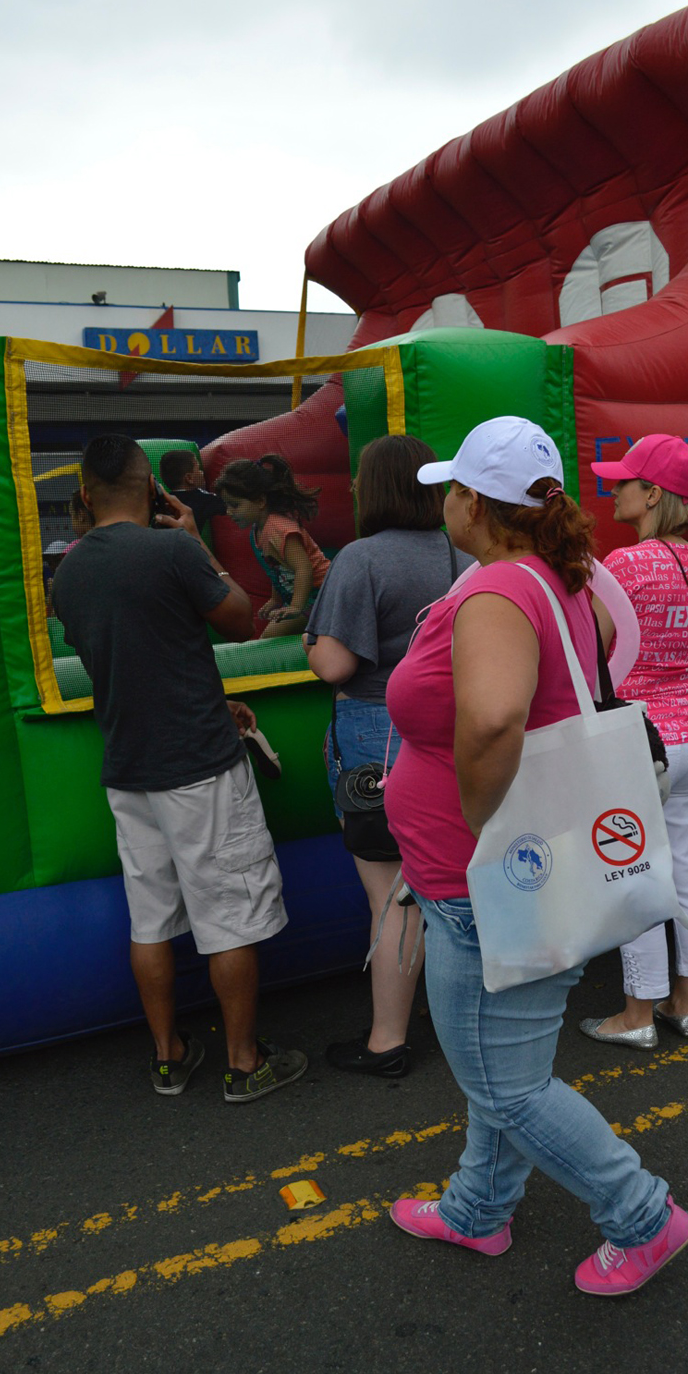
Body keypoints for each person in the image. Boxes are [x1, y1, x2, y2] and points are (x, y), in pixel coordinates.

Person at [383, 415, 688, 1297]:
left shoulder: (495, 593)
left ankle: (641, 1215)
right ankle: (478, 1210)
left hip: (486, 883)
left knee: (506, 1083)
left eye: (452, 489)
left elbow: (491, 718)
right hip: (513, 876)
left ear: (474, 503)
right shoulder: (555, 582)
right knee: (503, 1065)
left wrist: (477, 825)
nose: (444, 501)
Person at [51, 434, 307, 1102]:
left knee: (150, 919)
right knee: (228, 915)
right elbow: (239, 618)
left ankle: (168, 1056)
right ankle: (244, 1063)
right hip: (197, 762)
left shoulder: (69, 571)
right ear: (152, 491)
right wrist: (193, 538)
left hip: (128, 767)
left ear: (84, 494)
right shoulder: (170, 550)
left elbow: (122, 650)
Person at [304, 435, 471, 1077]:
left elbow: (337, 662)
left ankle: (387, 1043)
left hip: (379, 735)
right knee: (450, 886)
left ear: (371, 489)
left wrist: (313, 646)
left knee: (395, 896)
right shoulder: (464, 552)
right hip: (454, 734)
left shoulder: (362, 559)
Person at [579, 434, 688, 1050]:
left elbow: (594, 651)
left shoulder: (628, 564)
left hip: (638, 740)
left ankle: (637, 1014)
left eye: (624, 482)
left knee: (631, 868)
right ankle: (683, 1005)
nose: (614, 490)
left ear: (653, 493)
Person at [216, 454, 330, 638]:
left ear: (261, 501)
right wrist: (275, 600)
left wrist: (295, 606)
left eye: (235, 505)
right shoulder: (258, 530)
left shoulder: (279, 528)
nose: (229, 512)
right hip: (307, 597)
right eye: (227, 505)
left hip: (323, 597)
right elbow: (277, 569)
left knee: (271, 635)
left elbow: (304, 568)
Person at [159, 449, 225, 534]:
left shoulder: (165, 501)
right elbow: (227, 505)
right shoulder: (203, 499)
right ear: (189, 478)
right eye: (198, 469)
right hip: (191, 544)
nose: (202, 473)